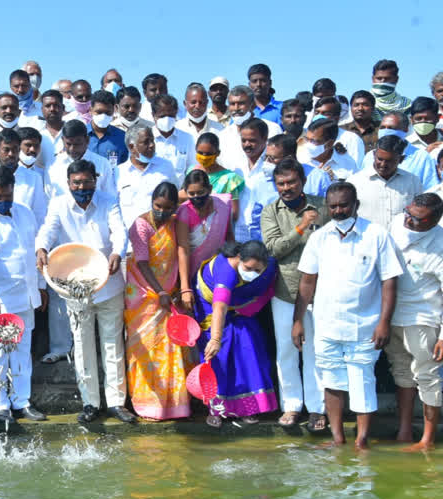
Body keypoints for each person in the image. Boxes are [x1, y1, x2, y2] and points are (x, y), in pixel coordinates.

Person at [294, 181, 402, 449]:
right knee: (331, 380)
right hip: (327, 323)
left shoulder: (376, 234)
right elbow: (307, 282)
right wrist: (297, 320)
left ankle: (362, 441)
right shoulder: (319, 237)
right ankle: (338, 438)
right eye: (333, 207)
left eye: (344, 205)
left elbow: (389, 281)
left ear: (356, 205)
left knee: (363, 380)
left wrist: (384, 323)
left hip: (365, 325)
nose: (338, 211)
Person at [36, 159, 134, 424]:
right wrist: (41, 248)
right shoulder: (58, 203)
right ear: (68, 183)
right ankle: (90, 402)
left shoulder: (108, 200)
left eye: (87, 182)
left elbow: (119, 231)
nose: (82, 187)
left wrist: (117, 252)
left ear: (96, 180)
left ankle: (116, 402)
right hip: (75, 284)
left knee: (112, 343)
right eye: (76, 183)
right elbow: (48, 229)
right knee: (81, 345)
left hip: (108, 282)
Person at [0, 166, 48, 426]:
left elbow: (32, 255)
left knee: (22, 352)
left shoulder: (25, 214)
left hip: (26, 295)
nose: (2, 202)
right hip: (0, 300)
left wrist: (40, 287)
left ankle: (21, 401)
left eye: (6, 196)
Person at [260, 159, 329, 430]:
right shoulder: (270, 211)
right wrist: (301, 227)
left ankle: (318, 408)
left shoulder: (323, 206)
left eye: (291, 182)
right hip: (285, 290)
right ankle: (291, 406)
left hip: (321, 291)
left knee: (315, 351)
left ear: (302, 181)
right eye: (281, 184)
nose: (286, 188)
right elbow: (274, 249)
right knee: (287, 350)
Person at [193, 240, 279, 427]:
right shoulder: (226, 272)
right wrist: (215, 339)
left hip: (242, 307)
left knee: (248, 349)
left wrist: (248, 307)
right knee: (218, 356)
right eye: (248, 268)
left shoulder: (269, 266)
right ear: (239, 258)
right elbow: (220, 306)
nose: (253, 275)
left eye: (258, 271)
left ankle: (248, 408)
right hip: (212, 309)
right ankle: (216, 409)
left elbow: (269, 288)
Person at [125, 182, 191, 419]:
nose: (162, 212)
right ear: (151, 202)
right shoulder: (141, 225)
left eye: (168, 208)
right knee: (144, 346)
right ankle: (146, 402)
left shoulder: (175, 223)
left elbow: (182, 253)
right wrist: (160, 292)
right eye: (157, 206)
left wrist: (178, 290)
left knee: (168, 346)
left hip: (167, 293)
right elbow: (142, 263)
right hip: (143, 294)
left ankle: (172, 403)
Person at [387, 193, 443, 451]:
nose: (409, 220)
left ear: (434, 220)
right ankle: (405, 430)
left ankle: (427, 439)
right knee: (401, 372)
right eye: (408, 213)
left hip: (423, 317)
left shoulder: (440, 243)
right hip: (392, 314)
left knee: (427, 377)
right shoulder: (397, 222)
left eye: (417, 219)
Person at [348, 135, 422, 230]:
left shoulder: (413, 182)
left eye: (389, 161)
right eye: (380, 159)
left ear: (401, 159)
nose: (383, 165)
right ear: (374, 154)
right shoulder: (355, 182)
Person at [177, 169, 233, 284]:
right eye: (191, 194)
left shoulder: (223, 205)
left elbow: (229, 235)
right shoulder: (184, 212)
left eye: (200, 192)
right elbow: (184, 250)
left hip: (217, 267)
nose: (196, 197)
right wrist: (185, 286)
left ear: (210, 189)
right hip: (191, 269)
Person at [0, 128, 47, 226]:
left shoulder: (34, 178)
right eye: (6, 150)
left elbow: (39, 214)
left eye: (15, 149)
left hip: (23, 234)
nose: (11, 154)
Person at [117, 125, 179, 228]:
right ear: (132, 147)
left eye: (152, 141)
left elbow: (174, 197)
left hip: (161, 235)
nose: (151, 145)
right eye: (146, 142)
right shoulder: (119, 172)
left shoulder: (166, 166)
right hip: (129, 236)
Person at [361, 111, 440, 190]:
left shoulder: (421, 157)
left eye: (391, 128)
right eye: (382, 127)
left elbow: (430, 188)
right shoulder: (370, 156)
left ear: (405, 130)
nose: (386, 131)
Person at [45, 120, 117, 200]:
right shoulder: (53, 164)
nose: (72, 149)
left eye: (77, 144)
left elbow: (109, 196)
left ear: (87, 140)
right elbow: (48, 196)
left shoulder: (102, 163)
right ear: (63, 140)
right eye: (68, 144)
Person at [217, 86, 281, 172]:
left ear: (253, 105)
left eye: (241, 103)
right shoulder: (223, 136)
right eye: (232, 104)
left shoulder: (272, 129)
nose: (236, 108)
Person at [181, 132, 244, 220]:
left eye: (208, 154)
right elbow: (183, 196)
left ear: (218, 153)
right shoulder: (192, 170)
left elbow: (234, 214)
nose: (204, 157)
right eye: (200, 153)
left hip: (217, 227)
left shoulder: (230, 179)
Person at [264, 134, 332, 198]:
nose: (267, 161)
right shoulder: (261, 179)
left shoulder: (318, 177)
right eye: (266, 157)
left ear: (288, 158)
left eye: (272, 158)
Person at [313, 96, 366, 167]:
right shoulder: (307, 139)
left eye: (325, 114)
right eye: (317, 113)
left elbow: (356, 169)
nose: (319, 117)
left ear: (337, 117)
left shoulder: (351, 139)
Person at [151, 94, 196, 176]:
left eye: (171, 116)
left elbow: (191, 168)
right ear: (153, 115)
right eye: (162, 116)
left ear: (176, 114)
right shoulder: (146, 140)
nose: (167, 119)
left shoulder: (187, 139)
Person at [87, 90, 128, 165]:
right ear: (91, 110)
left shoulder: (122, 137)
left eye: (108, 112)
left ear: (114, 110)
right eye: (99, 112)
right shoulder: (80, 135)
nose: (103, 116)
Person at [37, 89, 66, 171]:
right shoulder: (37, 134)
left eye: (56, 105)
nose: (52, 109)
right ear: (42, 109)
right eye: (48, 106)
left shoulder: (73, 132)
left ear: (63, 108)